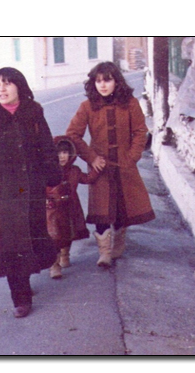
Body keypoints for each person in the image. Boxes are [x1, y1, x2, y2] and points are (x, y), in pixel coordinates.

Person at [0, 67, 62, 318]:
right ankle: (20, 298)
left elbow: (48, 150)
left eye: (7, 84)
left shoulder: (34, 115)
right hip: (2, 196)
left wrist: (48, 178)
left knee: (31, 237)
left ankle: (25, 284)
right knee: (9, 244)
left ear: (19, 86)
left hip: (30, 190)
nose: (1, 89)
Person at [65, 61, 155, 268]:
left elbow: (141, 131)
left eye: (107, 80)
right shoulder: (87, 107)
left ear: (117, 81)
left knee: (123, 207)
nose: (103, 85)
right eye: (98, 81)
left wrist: (132, 156)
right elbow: (73, 135)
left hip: (124, 164)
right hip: (100, 167)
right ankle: (104, 253)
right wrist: (91, 158)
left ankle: (118, 244)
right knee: (102, 209)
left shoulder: (130, 103)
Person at [46, 136, 99, 278]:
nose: (62, 156)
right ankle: (54, 265)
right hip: (53, 209)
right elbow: (40, 188)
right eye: (58, 153)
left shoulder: (74, 171)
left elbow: (87, 179)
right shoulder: (48, 171)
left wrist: (97, 168)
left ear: (71, 154)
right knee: (55, 236)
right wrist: (45, 200)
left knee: (69, 232)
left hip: (71, 207)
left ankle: (65, 255)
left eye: (65, 153)